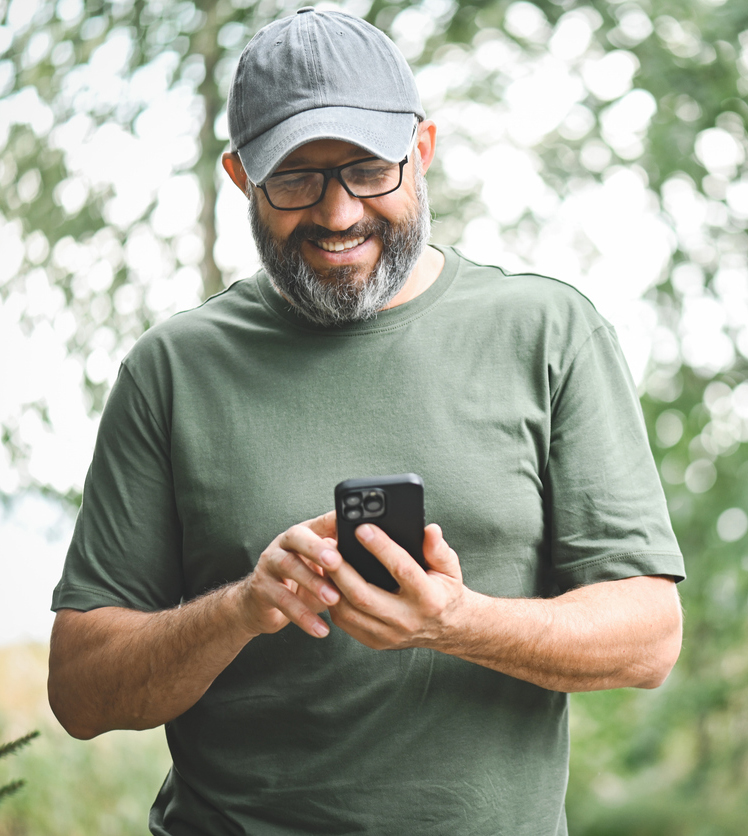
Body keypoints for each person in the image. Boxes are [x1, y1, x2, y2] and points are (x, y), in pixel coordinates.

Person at [49, 8, 685, 836]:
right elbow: (80, 692)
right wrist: (244, 605)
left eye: (367, 171)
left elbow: (647, 639)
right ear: (241, 177)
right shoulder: (172, 368)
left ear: (420, 151)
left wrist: (456, 622)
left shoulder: (550, 333)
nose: (339, 213)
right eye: (296, 180)